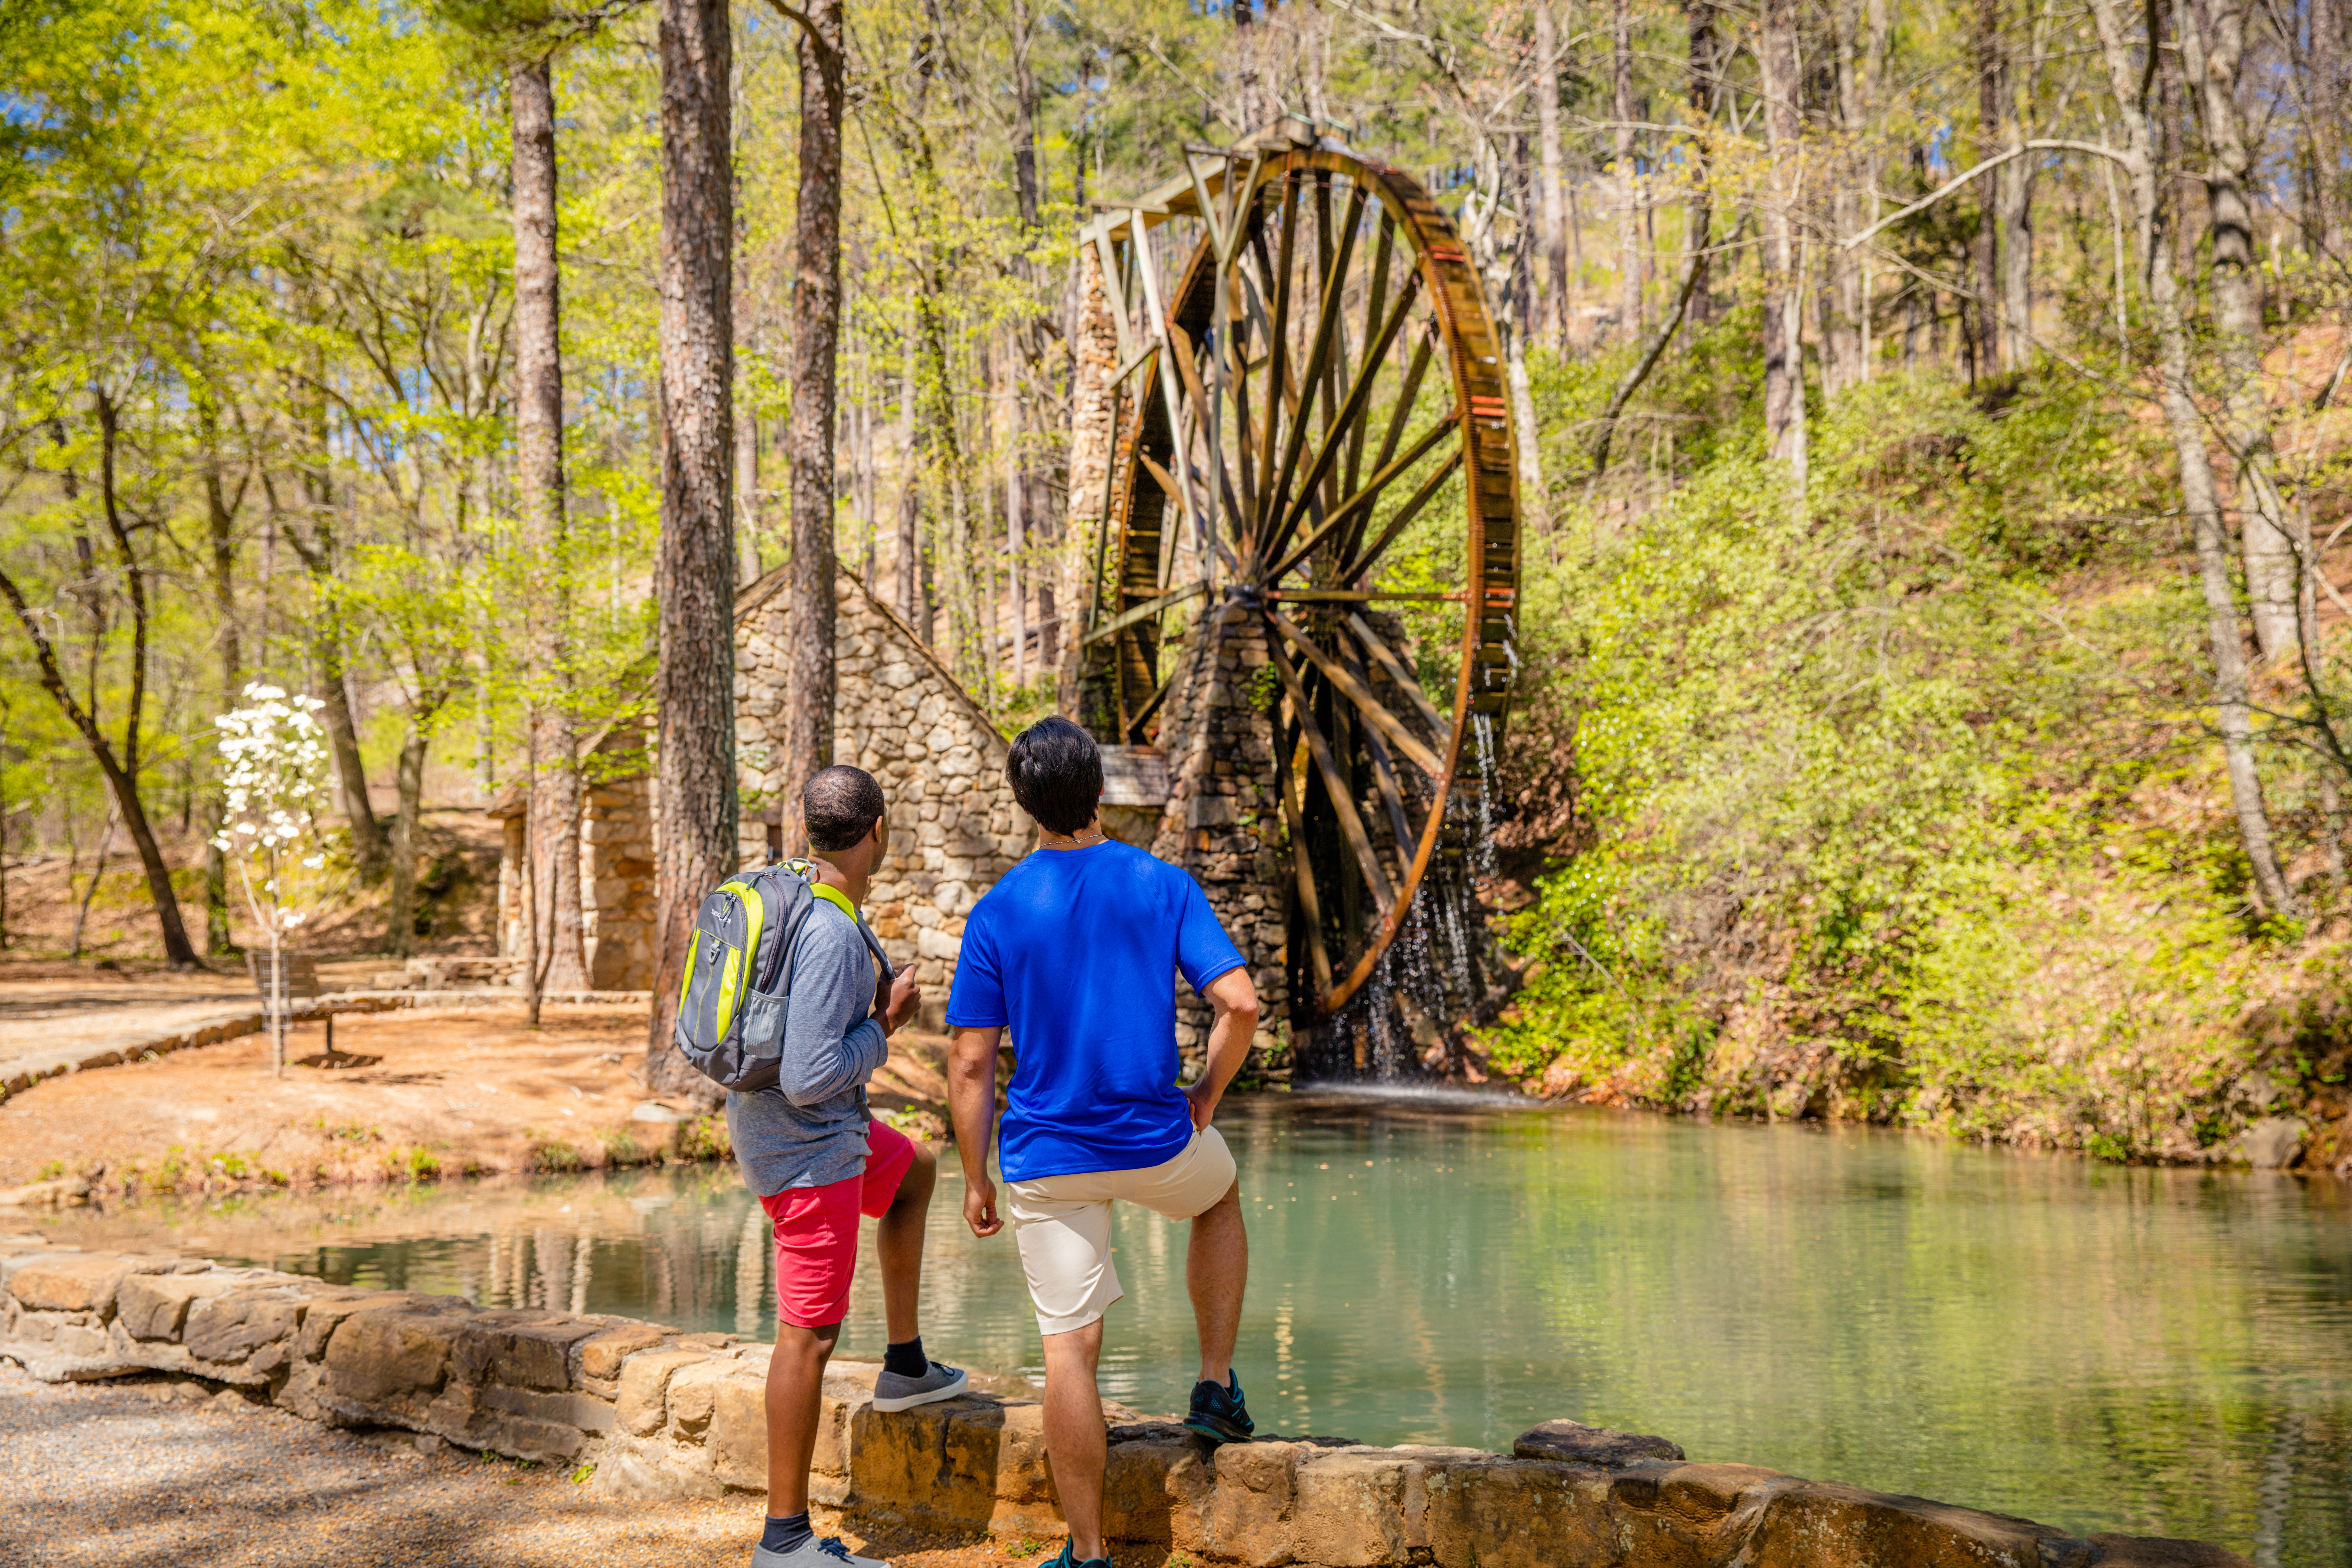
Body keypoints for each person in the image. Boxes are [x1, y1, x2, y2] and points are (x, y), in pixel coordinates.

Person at [945, 717, 1262, 1568]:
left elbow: (972, 1064)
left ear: (1025, 803)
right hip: (1158, 1141)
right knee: (1220, 1194)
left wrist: (974, 1178)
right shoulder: (1160, 883)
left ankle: (1088, 1556)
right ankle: (1214, 1383)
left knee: (1068, 1355)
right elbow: (1241, 1005)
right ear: (1100, 788)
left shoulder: (999, 910)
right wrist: (1208, 1092)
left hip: (1047, 1161)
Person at [733, 765, 969, 1568]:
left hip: (819, 1136)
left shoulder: (793, 885)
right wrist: (887, 1025)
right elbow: (807, 1075)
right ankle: (785, 1541)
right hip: (807, 1151)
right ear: (878, 831)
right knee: (810, 1336)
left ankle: (905, 1366)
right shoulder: (831, 930)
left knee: (918, 1170)